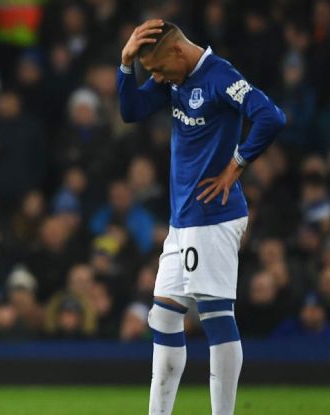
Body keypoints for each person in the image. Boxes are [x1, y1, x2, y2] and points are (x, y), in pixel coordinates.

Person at [118, 20, 285, 415]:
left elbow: (271, 116)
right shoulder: (173, 76)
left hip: (213, 216)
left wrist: (237, 164)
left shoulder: (220, 77)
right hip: (184, 220)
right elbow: (132, 110)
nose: (156, 79)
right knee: (162, 315)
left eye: (157, 69)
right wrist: (126, 64)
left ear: (177, 51)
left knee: (215, 316)